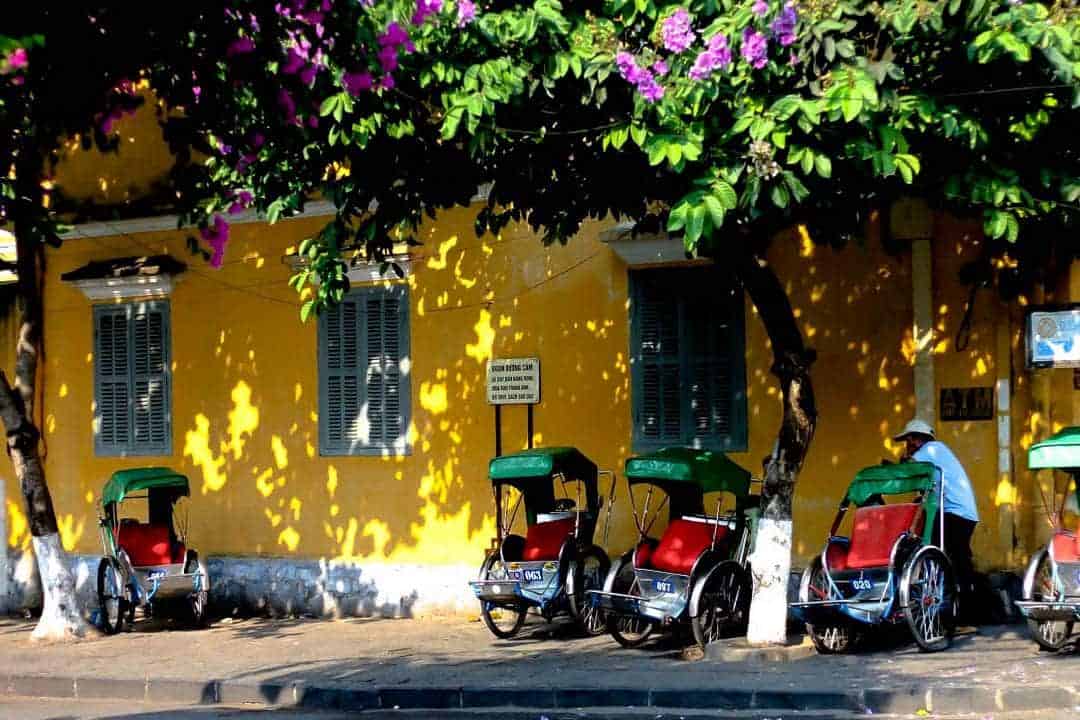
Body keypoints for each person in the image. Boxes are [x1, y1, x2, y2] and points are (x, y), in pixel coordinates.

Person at [894, 418, 979, 623]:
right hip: (956, 512)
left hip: (956, 513)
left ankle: (964, 613)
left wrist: (903, 459)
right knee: (954, 559)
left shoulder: (932, 449)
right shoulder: (935, 455)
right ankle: (957, 607)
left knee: (943, 556)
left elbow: (908, 468)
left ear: (915, 439)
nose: (908, 446)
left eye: (908, 441)